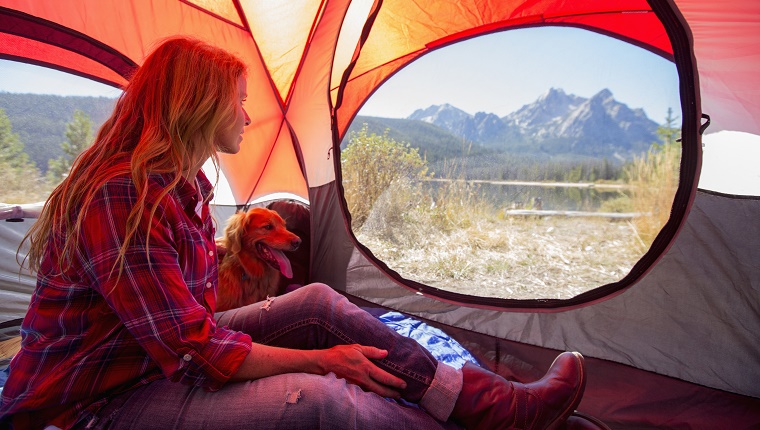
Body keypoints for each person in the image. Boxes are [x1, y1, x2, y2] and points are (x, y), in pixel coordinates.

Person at [0, 37, 586, 430]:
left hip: (150, 358)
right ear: (199, 107)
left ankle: (488, 405)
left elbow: (194, 326)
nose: (248, 116)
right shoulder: (124, 196)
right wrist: (324, 360)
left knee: (317, 301)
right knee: (325, 397)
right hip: (95, 401)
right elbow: (193, 350)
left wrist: (311, 341)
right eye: (240, 102)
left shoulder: (183, 188)